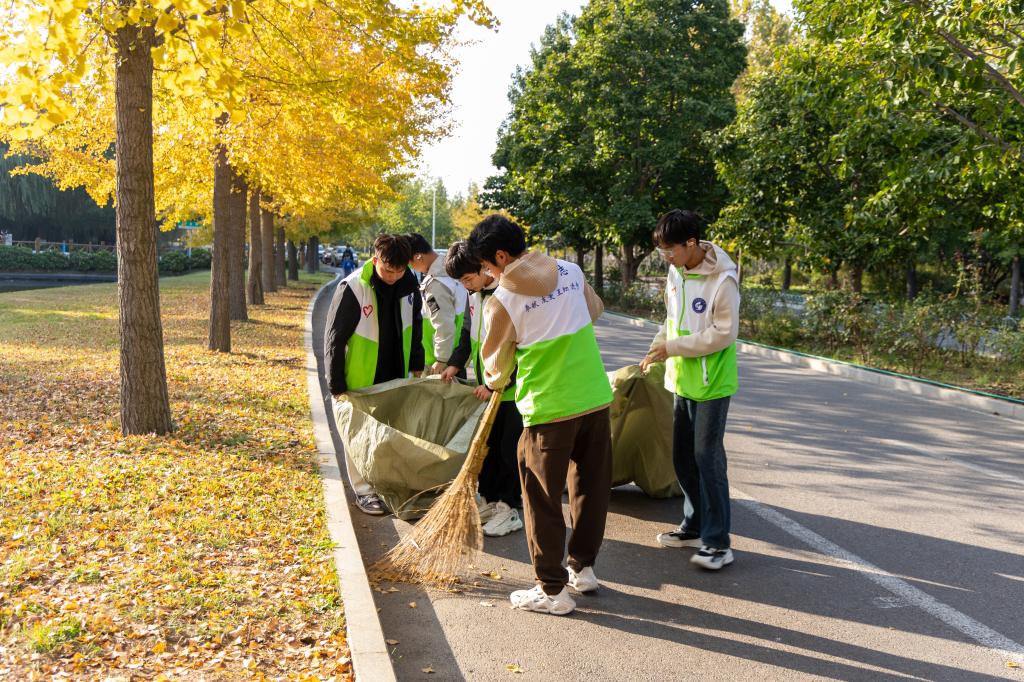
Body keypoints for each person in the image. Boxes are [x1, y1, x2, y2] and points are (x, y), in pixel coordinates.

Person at [470, 215, 613, 616]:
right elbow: (595, 310)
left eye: (487, 266)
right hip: (594, 397)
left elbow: (496, 368)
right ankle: (582, 569)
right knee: (590, 488)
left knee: (540, 498)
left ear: (501, 256)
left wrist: (498, 377)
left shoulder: (502, 301)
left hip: (549, 408)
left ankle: (551, 590)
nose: (488, 273)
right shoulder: (570, 270)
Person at [640, 209, 740, 570]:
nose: (667, 257)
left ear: (692, 243)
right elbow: (672, 319)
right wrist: (658, 347)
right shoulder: (676, 272)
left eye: (671, 250)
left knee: (707, 458)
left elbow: (724, 333)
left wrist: (674, 348)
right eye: (662, 251)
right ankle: (694, 526)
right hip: (682, 379)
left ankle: (719, 543)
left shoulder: (722, 280)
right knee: (683, 457)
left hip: (712, 383)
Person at [324, 234, 425, 515]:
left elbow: (416, 325)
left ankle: (382, 485)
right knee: (358, 435)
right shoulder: (353, 287)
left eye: (399, 271)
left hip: (396, 372)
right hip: (360, 377)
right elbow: (334, 338)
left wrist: (417, 360)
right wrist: (335, 383)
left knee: (388, 433)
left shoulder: (409, 286)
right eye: (388, 270)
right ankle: (364, 491)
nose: (393, 277)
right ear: (375, 259)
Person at [442, 241, 524, 538]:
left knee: (508, 451)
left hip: (509, 390)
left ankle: (509, 508)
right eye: (461, 282)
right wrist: (454, 364)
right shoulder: (473, 295)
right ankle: (490, 501)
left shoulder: (508, 294)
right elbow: (468, 334)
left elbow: (517, 347)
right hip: (486, 387)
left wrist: (496, 384)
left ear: (484, 267)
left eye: (468, 278)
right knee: (487, 450)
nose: (465, 286)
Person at [406, 233, 471, 378]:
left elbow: (444, 324)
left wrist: (441, 358)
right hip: (455, 356)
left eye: (410, 263)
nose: (411, 267)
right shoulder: (451, 272)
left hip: (441, 364)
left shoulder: (436, 284)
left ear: (418, 257)